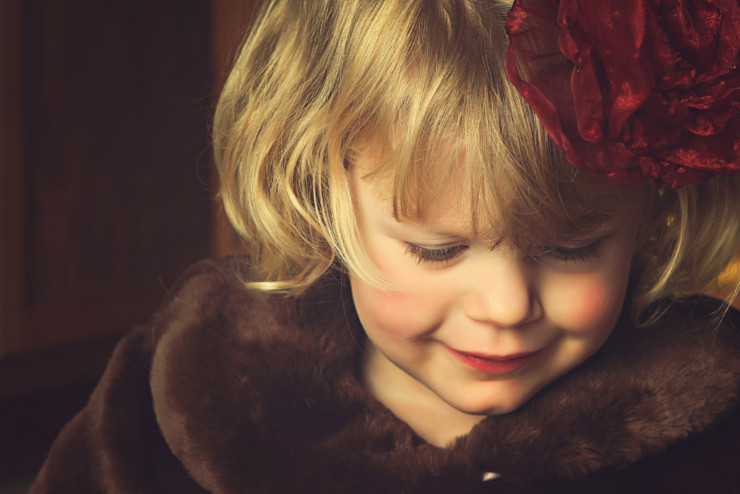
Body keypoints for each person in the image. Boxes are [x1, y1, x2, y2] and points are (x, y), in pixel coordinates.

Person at [31, 0, 740, 492]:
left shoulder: (707, 431)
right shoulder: (192, 403)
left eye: (571, 249)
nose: (504, 306)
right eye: (436, 250)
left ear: (653, 210)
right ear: (321, 181)